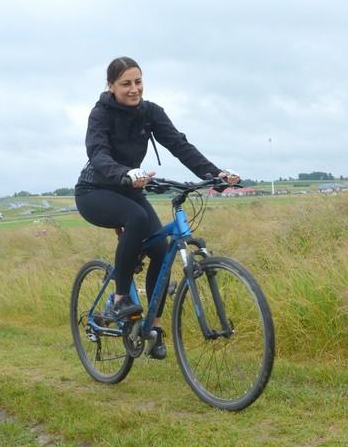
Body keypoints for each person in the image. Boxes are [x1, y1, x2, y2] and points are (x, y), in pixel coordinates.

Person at [74, 57, 240, 360]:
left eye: (138, 82)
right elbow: (98, 154)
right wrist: (124, 173)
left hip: (131, 189)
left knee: (162, 251)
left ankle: (153, 327)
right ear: (110, 86)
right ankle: (120, 298)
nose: (134, 89)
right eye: (126, 83)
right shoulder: (100, 115)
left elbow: (179, 146)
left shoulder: (150, 113)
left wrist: (215, 174)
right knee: (136, 217)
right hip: (94, 191)